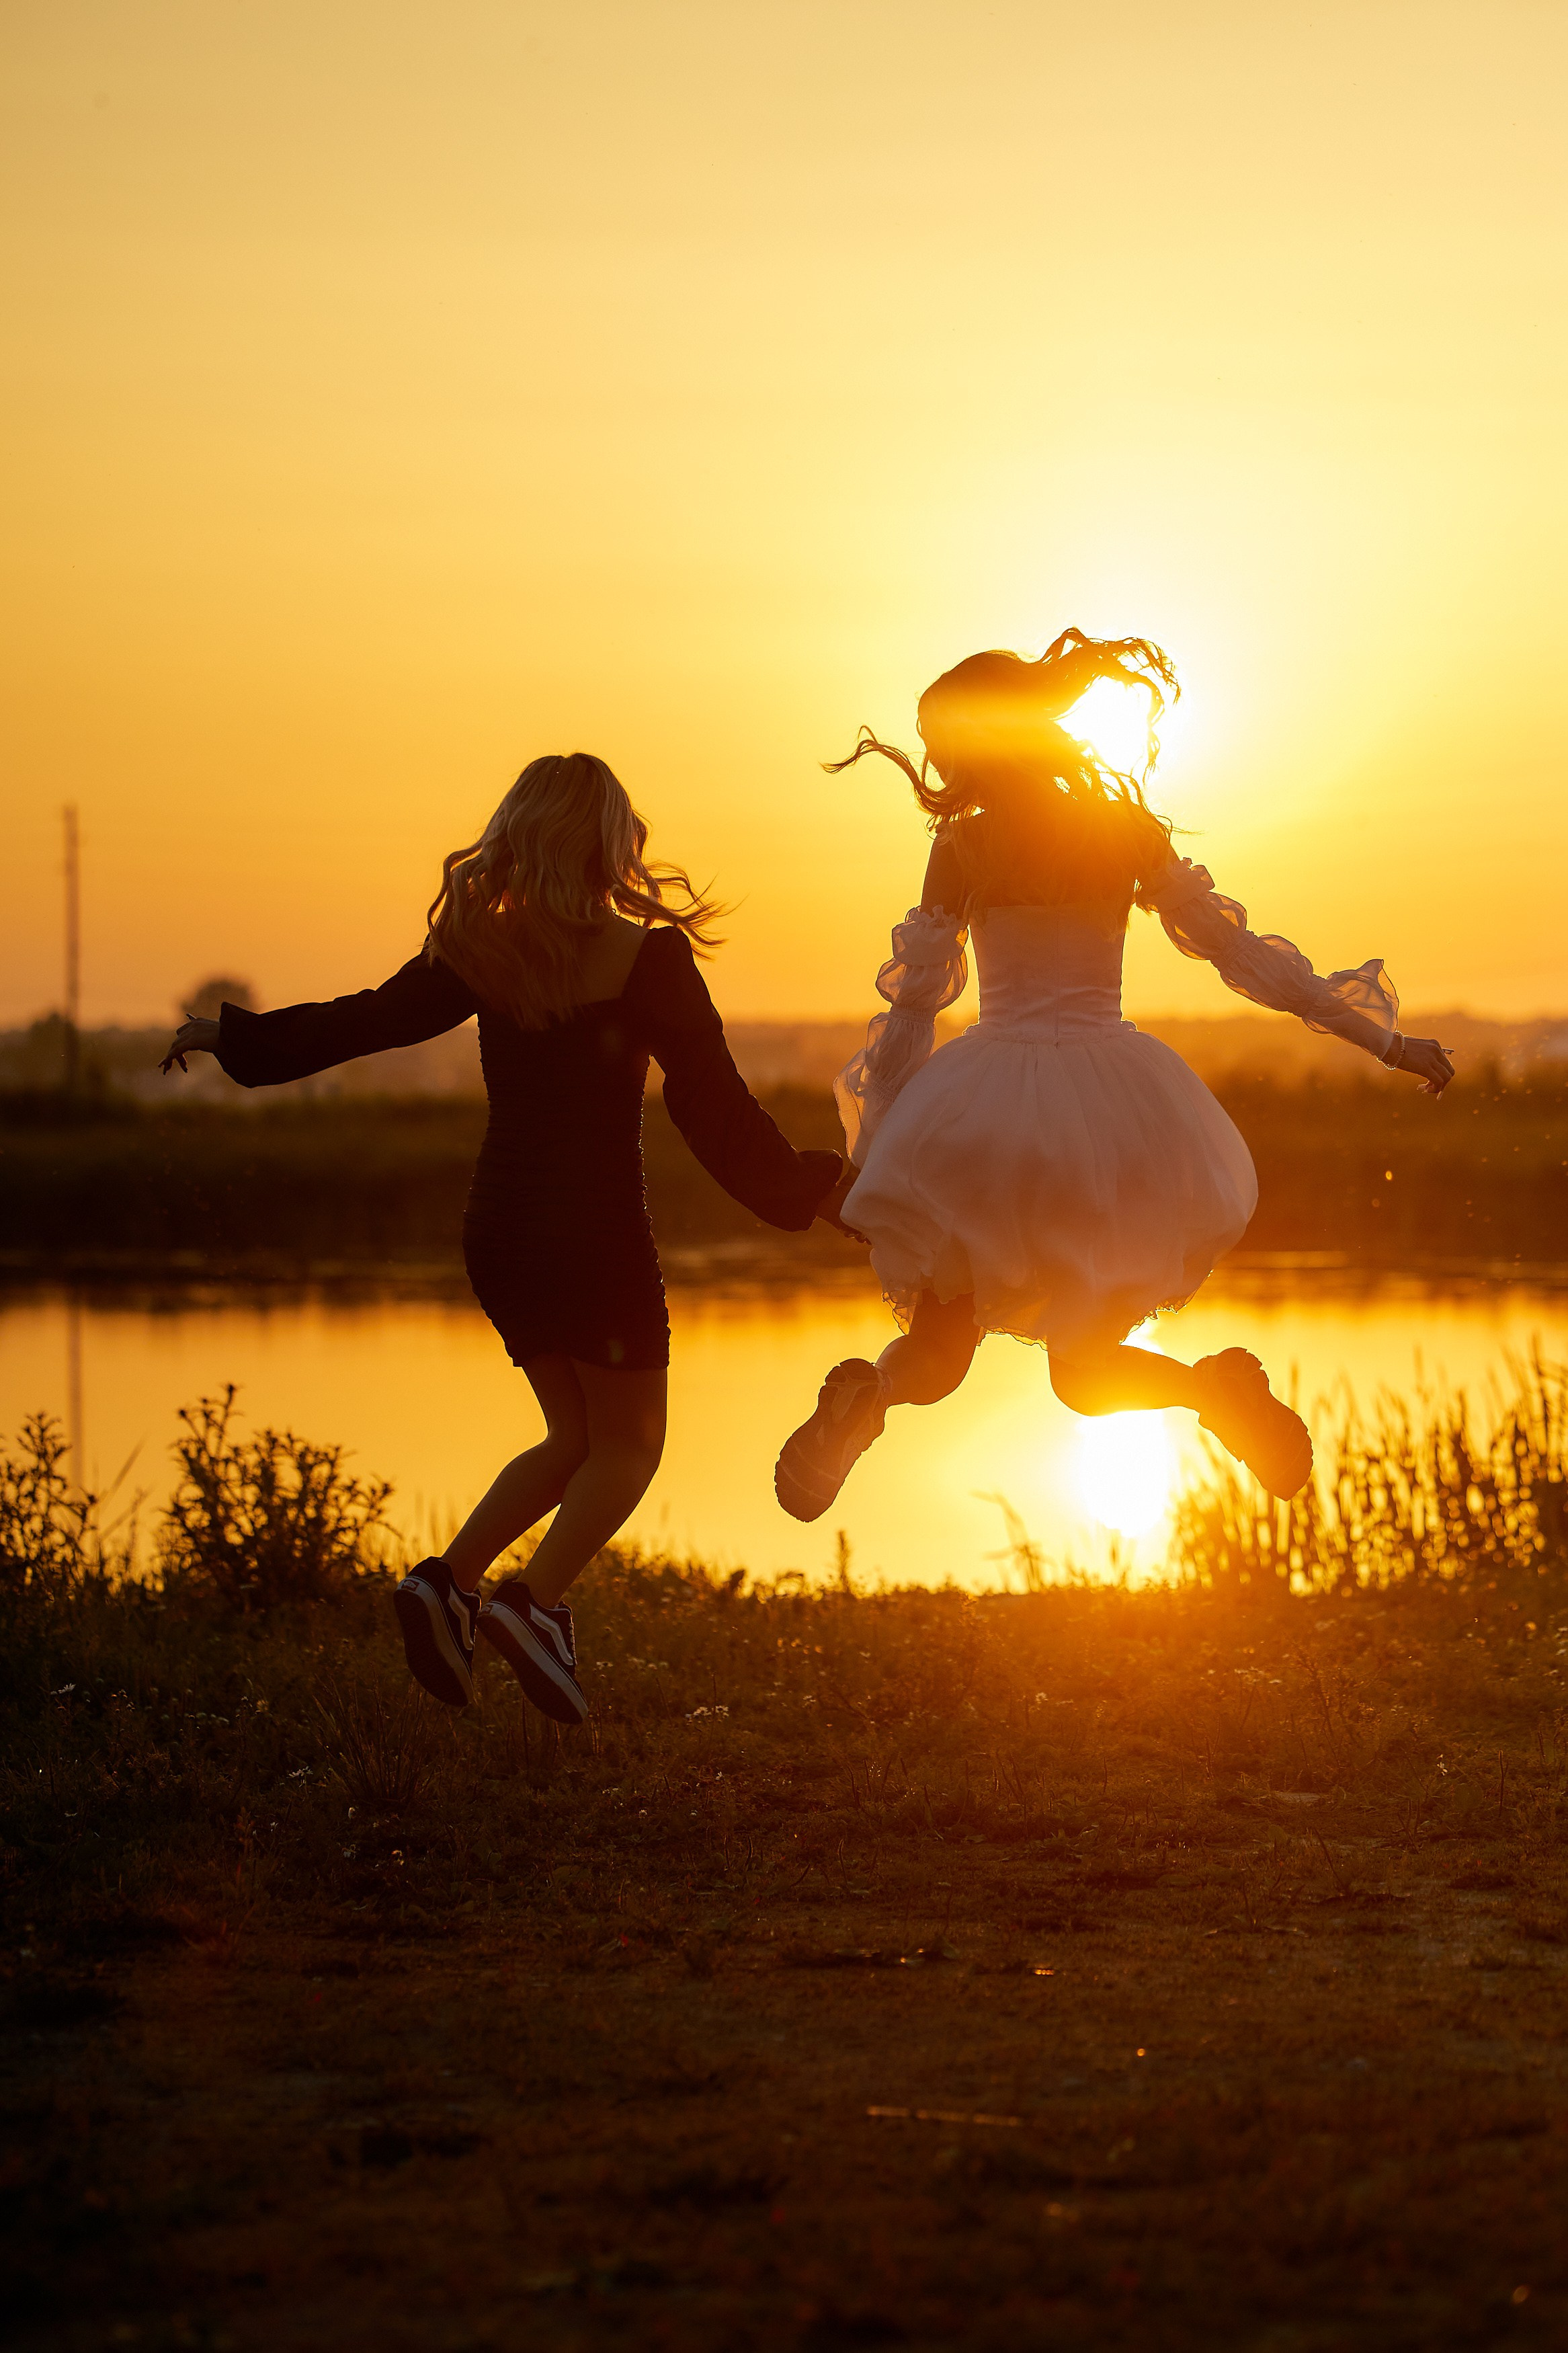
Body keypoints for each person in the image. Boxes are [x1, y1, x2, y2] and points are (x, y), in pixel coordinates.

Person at [163, 752, 842, 1717]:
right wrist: (817, 1192)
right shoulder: (646, 959)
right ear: (610, 841)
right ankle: (533, 1606)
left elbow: (366, 1023)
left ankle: (447, 1584)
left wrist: (233, 1037)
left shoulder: (487, 950)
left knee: (575, 1435)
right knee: (630, 1447)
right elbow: (714, 1111)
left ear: (522, 838)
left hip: (501, 1229)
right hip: (594, 1232)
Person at [775, 631, 1454, 1521]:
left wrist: (875, 1149)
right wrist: (1382, 1042)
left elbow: (913, 1009)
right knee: (1085, 1373)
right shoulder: (1120, 830)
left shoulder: (964, 848)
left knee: (938, 1346)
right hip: (1110, 1108)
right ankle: (1213, 1392)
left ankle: (871, 1396)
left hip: (982, 1108)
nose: (938, 762)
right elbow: (1242, 957)